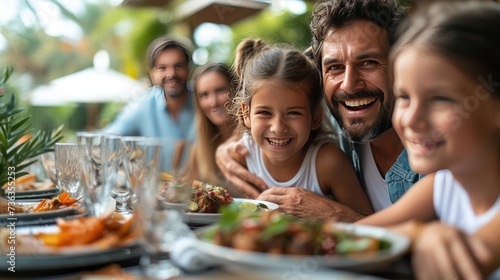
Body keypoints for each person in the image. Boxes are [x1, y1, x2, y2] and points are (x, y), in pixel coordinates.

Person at [216, 0, 416, 222]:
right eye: (335, 68)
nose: (349, 85)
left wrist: (335, 214)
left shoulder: (437, 154)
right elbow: (280, 85)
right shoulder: (343, 113)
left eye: (368, 62)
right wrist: (226, 150)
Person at [357, 2, 500, 279]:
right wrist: (414, 233)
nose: (411, 119)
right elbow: (346, 239)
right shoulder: (445, 184)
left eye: (440, 98)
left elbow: (472, 259)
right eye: (404, 96)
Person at [229, 38, 373, 216]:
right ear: (246, 114)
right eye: (265, 113)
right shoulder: (244, 155)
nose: (278, 127)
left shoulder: (327, 162)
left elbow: (367, 222)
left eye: (293, 113)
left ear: (316, 117)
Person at [103, 37, 195, 172]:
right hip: (157, 190)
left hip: (206, 190)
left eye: (178, 66)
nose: (171, 74)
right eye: (162, 68)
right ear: (152, 74)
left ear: (188, 69)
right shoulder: (144, 104)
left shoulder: (205, 101)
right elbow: (107, 139)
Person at [183, 62, 243, 197]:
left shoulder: (251, 141)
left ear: (235, 90)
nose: (213, 102)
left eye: (220, 90)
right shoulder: (198, 149)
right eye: (204, 95)